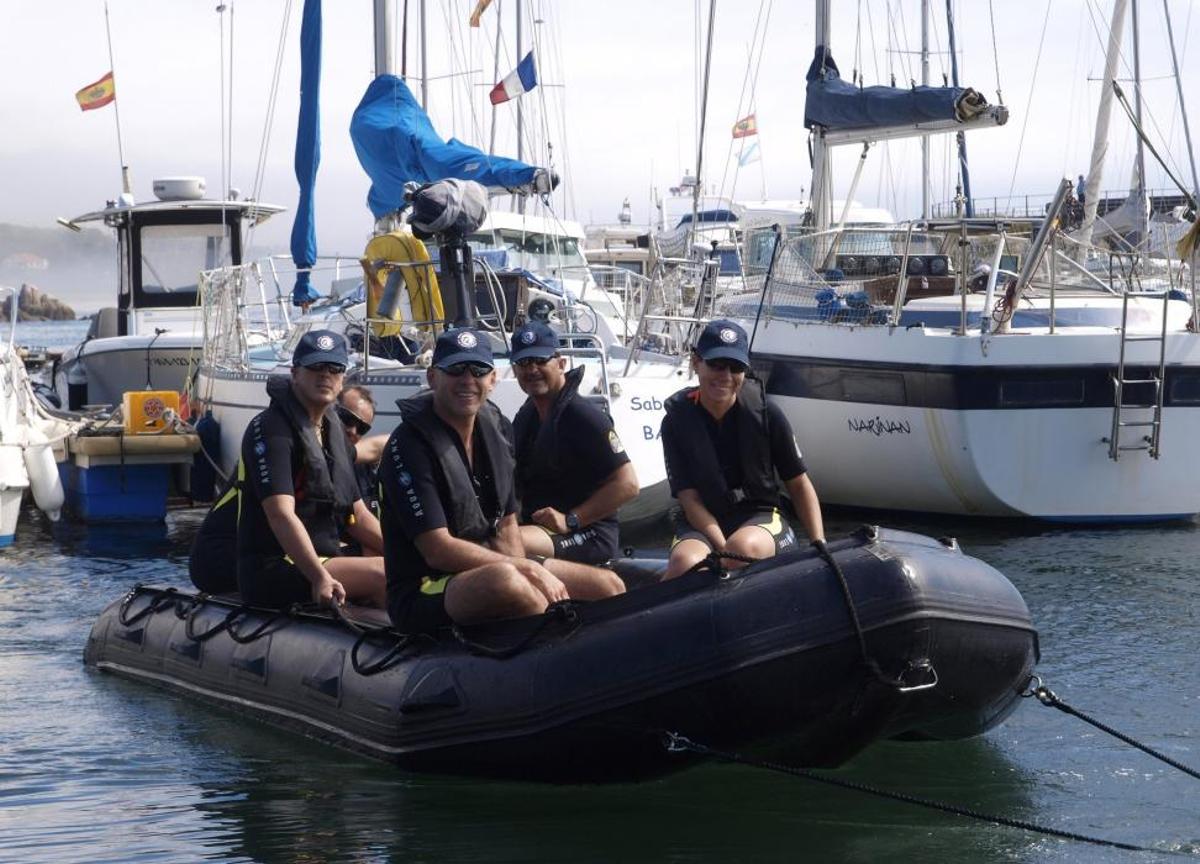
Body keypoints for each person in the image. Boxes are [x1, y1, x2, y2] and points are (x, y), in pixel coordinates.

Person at [378, 327, 624, 635]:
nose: (467, 380)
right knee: (509, 583)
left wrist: (524, 568)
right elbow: (436, 549)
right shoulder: (409, 445)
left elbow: (507, 525)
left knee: (607, 585)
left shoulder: (498, 430)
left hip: (495, 563)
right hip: (427, 584)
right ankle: (555, 659)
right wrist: (524, 569)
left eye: (478, 370)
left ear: (492, 380)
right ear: (432, 378)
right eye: (455, 370)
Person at [660, 319, 824, 581]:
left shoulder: (769, 415)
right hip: (701, 521)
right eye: (716, 364)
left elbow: (799, 484)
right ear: (695, 362)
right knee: (685, 564)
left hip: (760, 516)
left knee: (741, 550)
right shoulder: (675, 423)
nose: (725, 376)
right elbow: (689, 500)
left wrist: (819, 544)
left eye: (735, 367)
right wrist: (721, 548)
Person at [236, 330, 386, 609]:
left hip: (326, 558)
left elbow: (360, 516)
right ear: (295, 373)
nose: (325, 375)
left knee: (401, 569)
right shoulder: (272, 429)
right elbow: (280, 514)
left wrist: (411, 557)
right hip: (275, 566)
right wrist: (319, 577)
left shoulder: (335, 433)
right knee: (383, 573)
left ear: (342, 379)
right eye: (315, 367)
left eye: (334, 368)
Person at [510, 320, 639, 565]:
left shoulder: (583, 416)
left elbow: (629, 484)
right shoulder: (528, 415)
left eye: (540, 360)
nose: (532, 369)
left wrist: (572, 519)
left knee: (507, 543)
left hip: (588, 533)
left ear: (560, 364)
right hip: (541, 527)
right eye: (524, 363)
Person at [336, 384, 386, 520]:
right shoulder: (315, 457)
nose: (352, 431)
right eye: (348, 419)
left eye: (362, 428)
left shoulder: (364, 466)